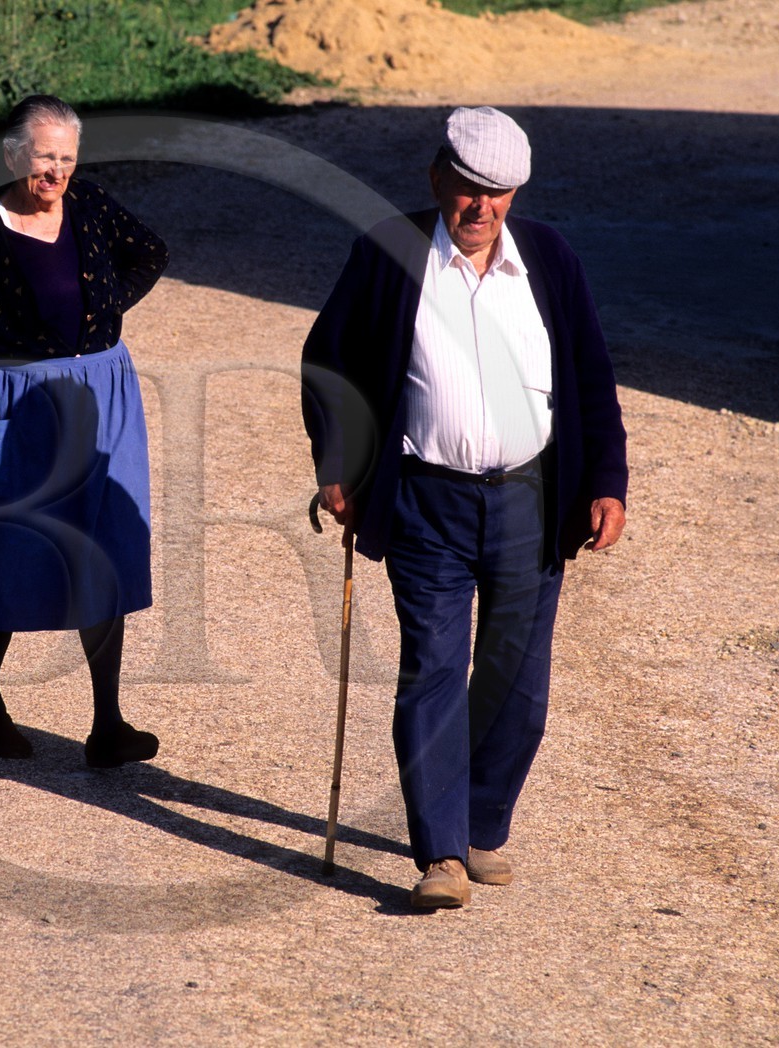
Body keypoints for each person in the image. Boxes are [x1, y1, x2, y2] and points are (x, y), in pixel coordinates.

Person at [301, 106, 628, 908]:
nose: (481, 208)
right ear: (438, 178)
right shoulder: (391, 252)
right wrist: (339, 464)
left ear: (515, 192)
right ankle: (442, 853)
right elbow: (328, 360)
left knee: (519, 686)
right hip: (425, 500)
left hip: (530, 498)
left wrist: (608, 479)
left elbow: (590, 372)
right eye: (468, 190)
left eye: (499, 193)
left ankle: (482, 823)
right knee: (435, 670)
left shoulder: (548, 257)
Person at [0, 94, 169, 768]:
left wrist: (102, 311)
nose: (55, 173)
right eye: (43, 158)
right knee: (5, 547)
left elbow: (150, 253)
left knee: (102, 548)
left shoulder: (90, 206)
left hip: (101, 394)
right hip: (11, 402)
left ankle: (108, 723)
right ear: (11, 156)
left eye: (66, 160)